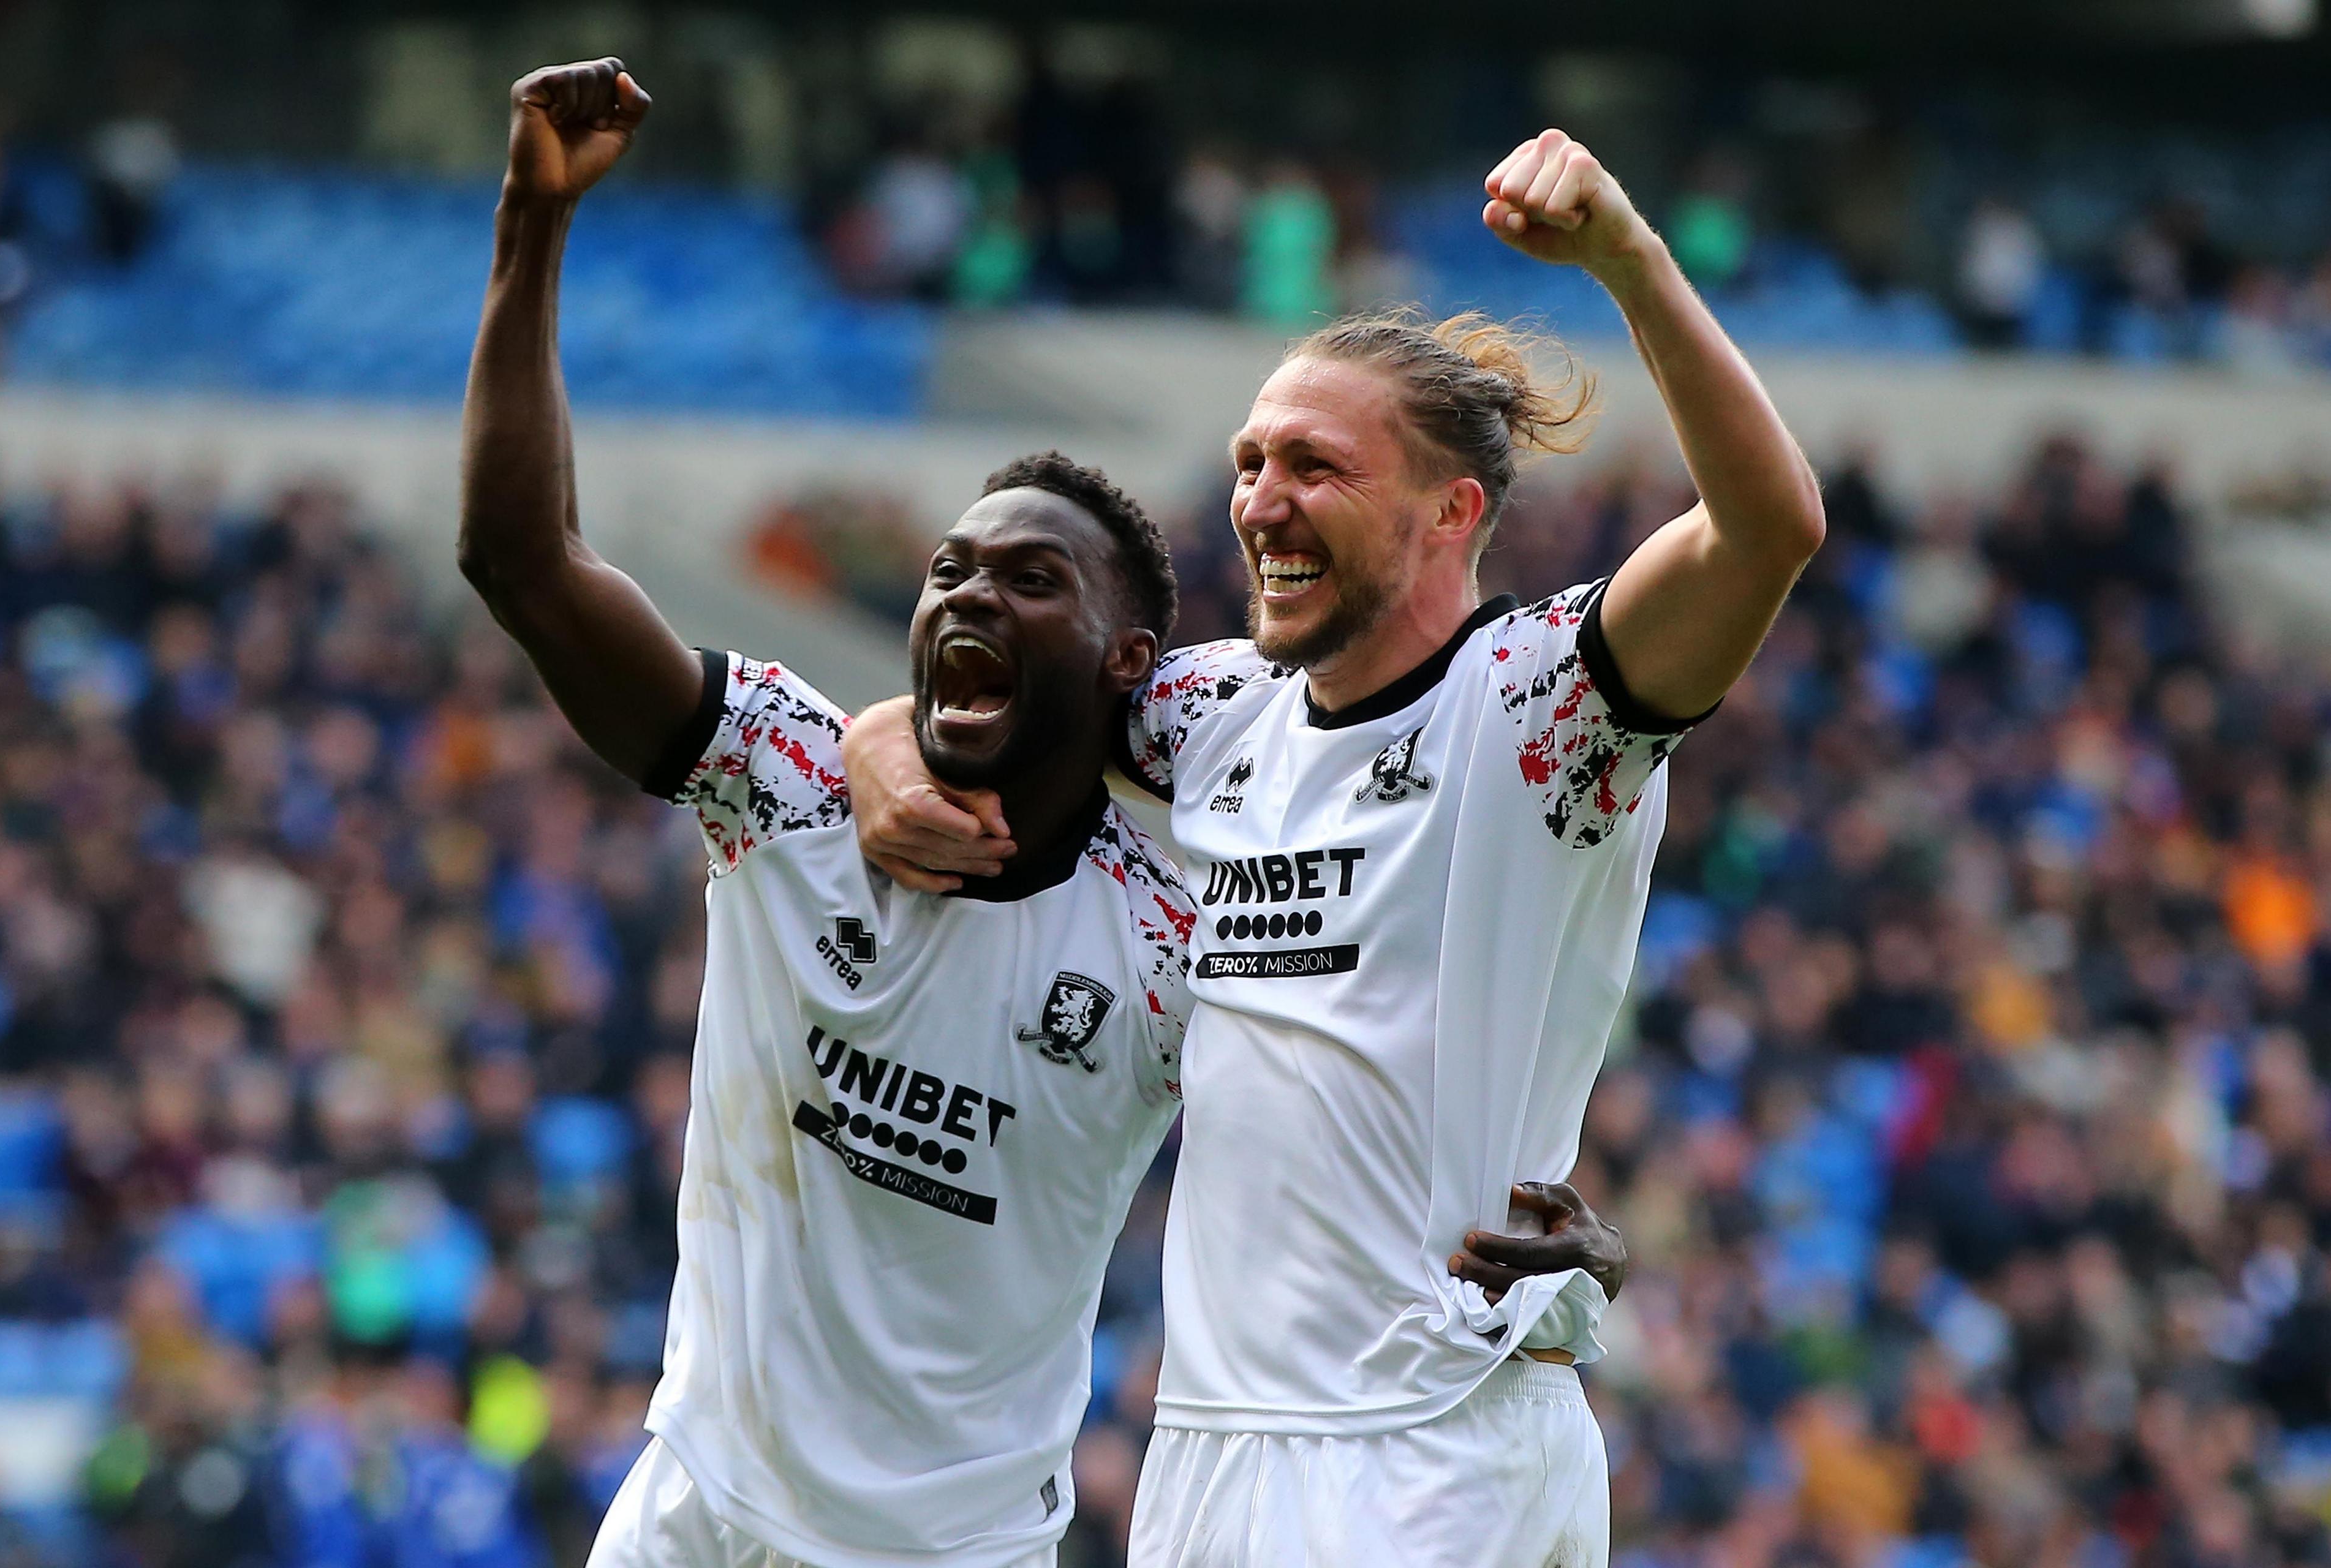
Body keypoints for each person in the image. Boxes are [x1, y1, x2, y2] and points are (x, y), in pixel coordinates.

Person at [458, 61, 1628, 1568]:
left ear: (1132, 664)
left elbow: (1367, 1124)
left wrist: (1565, 1278)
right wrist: (531, 223)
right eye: (950, 572)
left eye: (1030, 582)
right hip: (695, 1512)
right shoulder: (788, 781)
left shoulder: (1183, 929)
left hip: (963, 1549)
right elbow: (521, 560)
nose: (968, 597)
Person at [846, 127, 1826, 1566]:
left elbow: (1768, 530)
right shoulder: (1217, 711)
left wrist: (1628, 257)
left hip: (1430, 1436)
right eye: (1251, 461)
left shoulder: (1539, 705)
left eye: (1314, 464)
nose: (1260, 499)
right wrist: (879, 754)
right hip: (1214, 1440)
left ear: (1453, 511)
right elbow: (976, 700)